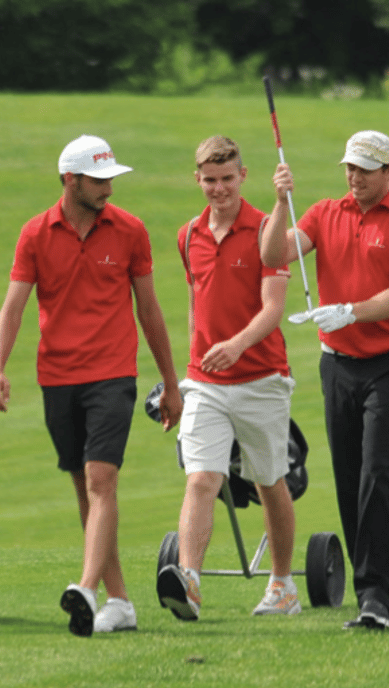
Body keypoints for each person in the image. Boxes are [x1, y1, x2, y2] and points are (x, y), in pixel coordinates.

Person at [0, 134, 183, 637]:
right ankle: (119, 601)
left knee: (101, 481)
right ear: (69, 180)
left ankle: (87, 588)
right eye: (99, 180)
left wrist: (169, 381)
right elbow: (13, 307)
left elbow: (150, 310)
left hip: (112, 374)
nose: (109, 189)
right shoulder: (34, 234)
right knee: (85, 486)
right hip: (57, 376)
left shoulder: (131, 231)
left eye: (111, 179)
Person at [259, 130, 389, 630]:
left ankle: (377, 593)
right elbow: (274, 255)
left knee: (379, 469)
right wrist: (278, 203)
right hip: (337, 363)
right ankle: (369, 593)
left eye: (365, 168)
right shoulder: (322, 213)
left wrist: (350, 312)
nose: (354, 176)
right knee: (350, 474)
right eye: (350, 167)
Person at [156, 136, 300, 621]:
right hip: (205, 382)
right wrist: (183, 374)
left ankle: (283, 586)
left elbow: (273, 309)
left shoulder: (265, 230)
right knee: (201, 479)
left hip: (261, 378)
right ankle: (190, 582)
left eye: (227, 179)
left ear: (243, 177)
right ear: (197, 179)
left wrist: (236, 345)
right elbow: (197, 304)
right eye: (210, 180)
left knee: (269, 481)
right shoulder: (187, 235)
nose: (219, 189)